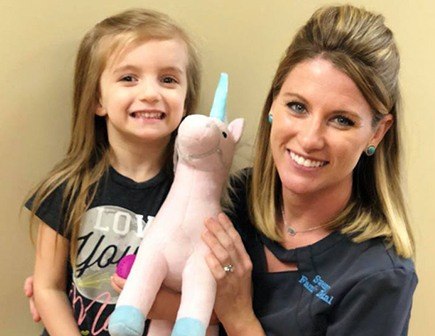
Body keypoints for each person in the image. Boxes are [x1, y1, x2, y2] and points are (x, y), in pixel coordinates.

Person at [201, 4, 417, 336]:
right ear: (273, 102)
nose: (310, 138)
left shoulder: (379, 277)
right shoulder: (230, 199)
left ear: (377, 132)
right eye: (297, 107)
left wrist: (239, 319)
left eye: (341, 120)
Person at [24, 8, 200, 336]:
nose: (150, 93)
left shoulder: (196, 198)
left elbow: (204, 299)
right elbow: (47, 289)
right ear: (97, 99)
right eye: (128, 78)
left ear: (187, 100)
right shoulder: (67, 188)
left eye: (168, 79)